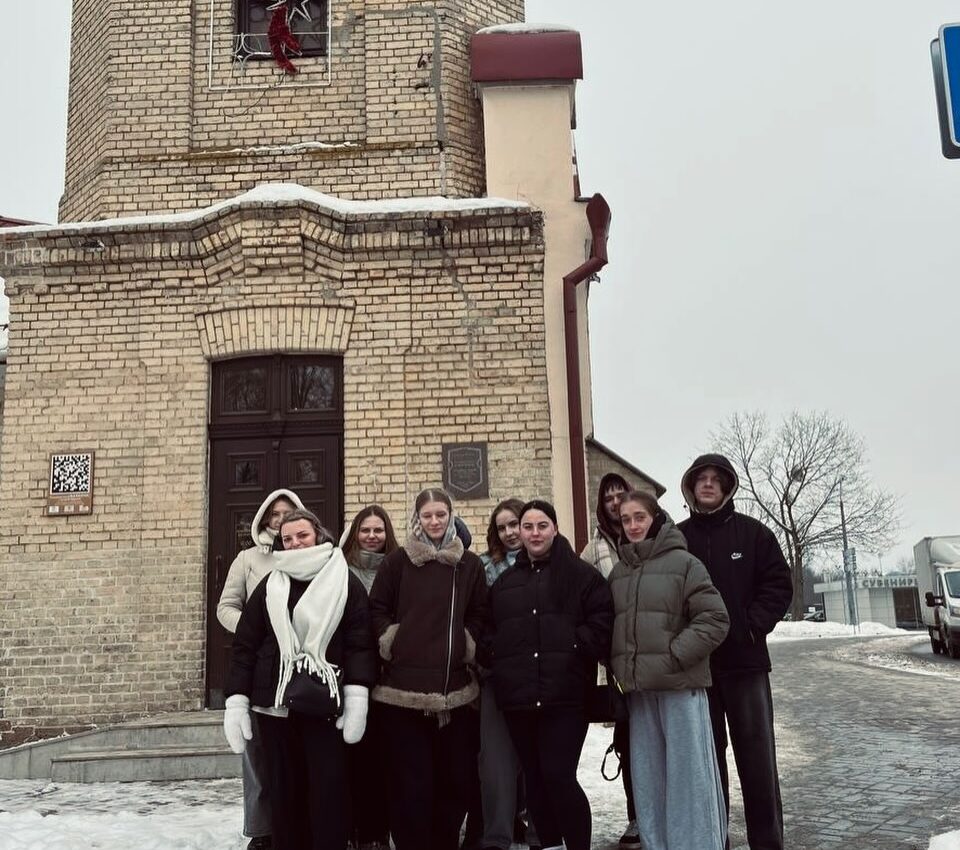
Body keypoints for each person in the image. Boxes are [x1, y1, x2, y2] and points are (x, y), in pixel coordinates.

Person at [223, 509, 377, 850]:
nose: (295, 543)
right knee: (284, 793)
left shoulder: (343, 581)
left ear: (318, 534)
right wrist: (236, 701)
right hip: (275, 707)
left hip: (325, 706)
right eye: (287, 538)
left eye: (302, 535)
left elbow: (359, 644)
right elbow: (246, 645)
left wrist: (357, 698)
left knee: (328, 791)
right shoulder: (271, 584)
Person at [677, 454, 793, 850]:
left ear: (727, 487)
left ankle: (768, 843)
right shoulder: (677, 540)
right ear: (691, 487)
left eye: (716, 479)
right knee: (707, 767)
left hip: (746, 666)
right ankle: (715, 841)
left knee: (758, 763)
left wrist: (751, 626)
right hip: (699, 671)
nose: (708, 484)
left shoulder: (754, 534)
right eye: (701, 479)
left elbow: (778, 585)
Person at [483, 500, 613, 850]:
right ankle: (551, 845)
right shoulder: (505, 584)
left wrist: (574, 646)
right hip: (519, 699)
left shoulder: (581, 576)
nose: (534, 533)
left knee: (559, 775)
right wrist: (498, 656)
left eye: (542, 526)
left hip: (566, 697)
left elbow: (602, 623)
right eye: (528, 527)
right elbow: (487, 631)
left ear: (554, 529)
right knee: (536, 780)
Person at [368, 488, 488, 850]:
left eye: (441, 514)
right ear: (416, 519)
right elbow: (376, 609)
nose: (434, 521)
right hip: (402, 696)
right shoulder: (397, 562)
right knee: (409, 785)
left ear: (451, 516)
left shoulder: (469, 564)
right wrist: (390, 638)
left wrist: (467, 642)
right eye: (427, 515)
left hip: (454, 695)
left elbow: (479, 612)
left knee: (453, 784)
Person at [609, 490, 730, 850]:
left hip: (680, 689)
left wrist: (675, 656)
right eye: (626, 519)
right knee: (649, 781)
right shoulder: (619, 572)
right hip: (641, 694)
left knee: (688, 779)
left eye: (639, 517)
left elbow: (715, 619)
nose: (632, 525)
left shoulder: (685, 563)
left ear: (656, 519)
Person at [217, 488, 304, 850]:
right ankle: (261, 828)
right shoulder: (248, 559)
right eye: (275, 514)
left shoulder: (309, 555)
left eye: (288, 513)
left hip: (302, 668)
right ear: (266, 519)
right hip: (260, 667)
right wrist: (255, 630)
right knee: (258, 753)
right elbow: (226, 606)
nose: (281, 519)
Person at [579, 472, 638, 849]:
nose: (615, 502)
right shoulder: (594, 548)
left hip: (654, 651)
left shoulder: (646, 534)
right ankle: (637, 816)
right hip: (618, 655)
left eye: (620, 494)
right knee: (629, 738)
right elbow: (579, 591)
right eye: (608, 497)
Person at [477, 499, 539, 850]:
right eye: (501, 528)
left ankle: (539, 832)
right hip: (497, 675)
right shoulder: (486, 567)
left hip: (538, 675)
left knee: (537, 757)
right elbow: (479, 619)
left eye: (514, 524)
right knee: (496, 762)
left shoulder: (547, 562)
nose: (510, 533)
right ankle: (496, 836)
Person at [339, 505, 400, 850]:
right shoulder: (340, 568)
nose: (372, 536)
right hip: (350, 674)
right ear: (355, 533)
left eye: (378, 530)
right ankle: (354, 829)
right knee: (353, 755)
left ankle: (379, 832)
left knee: (384, 757)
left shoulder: (398, 568)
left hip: (390, 675)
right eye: (365, 530)